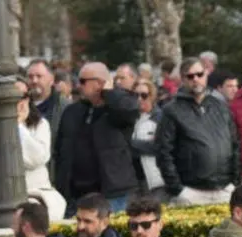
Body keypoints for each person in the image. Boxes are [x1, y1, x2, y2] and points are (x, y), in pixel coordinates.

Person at [52, 62, 141, 214]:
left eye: (83, 81)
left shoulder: (116, 108)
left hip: (112, 192)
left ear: (99, 83)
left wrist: (109, 92)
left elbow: (129, 110)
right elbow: (60, 149)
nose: (78, 86)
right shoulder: (72, 111)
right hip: (76, 194)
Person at [157, 57, 240, 207]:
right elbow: (164, 152)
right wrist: (178, 189)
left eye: (199, 74)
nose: (195, 79)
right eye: (190, 76)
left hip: (225, 189)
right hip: (191, 192)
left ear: (206, 74)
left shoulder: (221, 107)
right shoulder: (171, 110)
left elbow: (234, 145)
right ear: (182, 79)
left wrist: (234, 182)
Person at [0, 79, 66, 219]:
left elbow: (38, 158)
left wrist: (18, 126)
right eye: (12, 97)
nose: (18, 102)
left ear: (28, 99)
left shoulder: (41, 124)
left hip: (37, 192)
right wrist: (14, 166)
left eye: (23, 96)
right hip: (1, 195)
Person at [27, 59, 71, 178]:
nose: (34, 81)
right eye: (30, 77)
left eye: (39, 76)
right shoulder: (21, 106)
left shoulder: (65, 108)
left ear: (51, 80)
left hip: (53, 178)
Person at [129, 80, 165, 197]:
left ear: (152, 97)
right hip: (134, 180)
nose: (139, 99)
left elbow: (158, 147)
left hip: (156, 180)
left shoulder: (160, 118)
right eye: (135, 95)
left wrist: (130, 144)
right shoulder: (130, 118)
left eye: (143, 95)